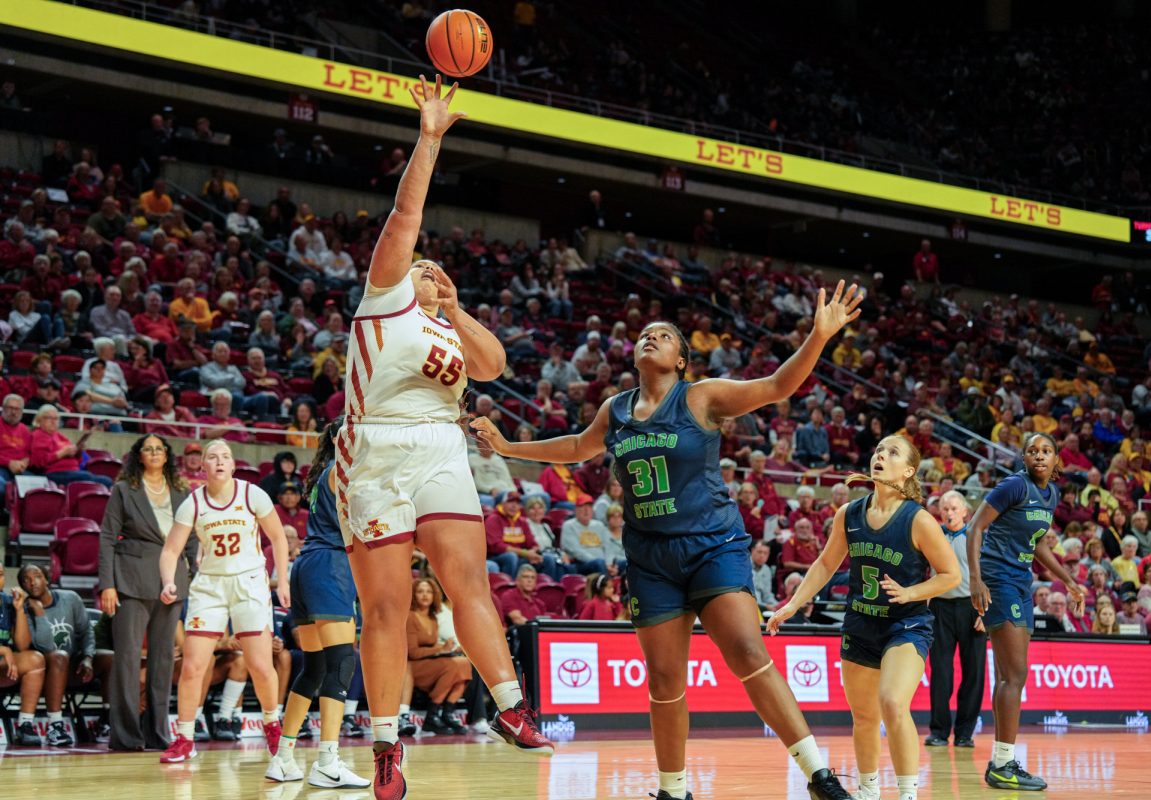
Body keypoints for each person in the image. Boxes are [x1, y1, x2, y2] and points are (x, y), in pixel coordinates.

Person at [472, 281, 864, 800]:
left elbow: (775, 386)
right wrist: (506, 446)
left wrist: (817, 337)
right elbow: (574, 447)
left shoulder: (701, 396)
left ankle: (818, 773)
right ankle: (673, 790)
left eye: (663, 335)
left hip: (711, 545)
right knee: (663, 680)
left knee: (747, 650)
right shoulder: (615, 409)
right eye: (645, 335)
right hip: (651, 558)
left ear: (682, 360)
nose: (650, 338)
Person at [333, 74, 552, 800]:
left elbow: (493, 367)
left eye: (436, 270)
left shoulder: (444, 325)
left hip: (438, 446)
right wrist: (429, 137)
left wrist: (456, 310)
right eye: (424, 267)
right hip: (373, 448)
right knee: (388, 609)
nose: (428, 270)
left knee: (467, 580)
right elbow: (404, 218)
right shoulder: (383, 300)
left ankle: (512, 707)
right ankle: (388, 747)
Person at [769, 436, 960, 800]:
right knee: (865, 717)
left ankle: (907, 794)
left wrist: (911, 593)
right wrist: (792, 605)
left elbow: (950, 574)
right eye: (878, 450)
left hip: (906, 624)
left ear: (908, 471)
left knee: (891, 701)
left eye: (892, 453)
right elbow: (826, 564)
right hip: (860, 623)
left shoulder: (918, 519)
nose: (880, 456)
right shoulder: (849, 514)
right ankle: (868, 792)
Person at [157, 439, 291, 763]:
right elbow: (171, 550)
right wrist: (168, 581)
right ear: (203, 466)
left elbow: (278, 537)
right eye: (212, 457)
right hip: (210, 587)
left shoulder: (252, 494)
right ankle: (185, 738)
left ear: (233, 465)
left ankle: (272, 721)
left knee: (260, 664)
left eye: (225, 457)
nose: (219, 461)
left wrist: (283, 579)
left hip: (249, 584)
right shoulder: (192, 503)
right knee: (192, 665)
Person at [968, 432, 1085, 791]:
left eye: (1046, 451)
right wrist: (976, 579)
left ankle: (1001, 763)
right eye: (1032, 451)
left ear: (1056, 461)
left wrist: (1068, 580)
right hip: (997, 577)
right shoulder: (1013, 486)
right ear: (1023, 458)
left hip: (1021, 580)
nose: (1039, 456)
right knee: (1015, 674)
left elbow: (1036, 545)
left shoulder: (1051, 494)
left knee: (1009, 675)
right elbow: (974, 529)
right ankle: (1004, 763)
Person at [266, 420, 370, 787]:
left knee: (315, 668)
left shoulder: (325, 472)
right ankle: (328, 760)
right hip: (329, 565)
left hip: (306, 567)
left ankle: (283, 758)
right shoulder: (342, 472)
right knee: (342, 661)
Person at [98, 434, 195, 752]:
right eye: (148, 449)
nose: (154, 452)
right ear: (138, 456)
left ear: (167, 455)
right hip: (130, 580)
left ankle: (157, 733)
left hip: (172, 582)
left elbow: (192, 538)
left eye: (159, 449)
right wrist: (107, 584)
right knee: (126, 659)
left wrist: (192, 575)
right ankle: (125, 736)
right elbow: (107, 538)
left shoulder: (183, 491)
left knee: (164, 660)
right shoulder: (124, 490)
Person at [923, 489, 987, 749]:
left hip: (973, 608)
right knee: (941, 672)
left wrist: (986, 611)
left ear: (965, 512)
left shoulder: (976, 535)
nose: (948, 512)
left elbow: (989, 573)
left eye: (953, 508)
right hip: (940, 607)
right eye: (944, 509)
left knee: (974, 673)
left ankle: (964, 733)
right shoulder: (933, 535)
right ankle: (938, 731)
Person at [18, 564, 101, 747]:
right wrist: (39, 613)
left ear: (47, 579)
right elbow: (45, 646)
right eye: (26, 580)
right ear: (23, 587)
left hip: (73, 665)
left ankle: (106, 721)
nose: (32, 582)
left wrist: (88, 657)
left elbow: (87, 631)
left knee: (109, 658)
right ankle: (55, 725)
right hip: (45, 670)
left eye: (37, 576)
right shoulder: (25, 609)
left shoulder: (70, 598)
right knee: (59, 655)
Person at [407, 578, 472, 734]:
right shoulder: (410, 617)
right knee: (451, 666)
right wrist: (440, 650)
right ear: (413, 595)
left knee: (464, 663)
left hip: (431, 661)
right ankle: (432, 715)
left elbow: (435, 648)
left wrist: (447, 649)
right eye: (420, 591)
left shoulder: (433, 618)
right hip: (412, 667)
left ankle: (447, 713)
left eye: (429, 591)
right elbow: (412, 653)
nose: (425, 595)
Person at [0, 567, 46, 747]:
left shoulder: (7, 602)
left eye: (1, 575)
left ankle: (25, 725)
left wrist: (19, 611)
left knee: (35, 659)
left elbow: (22, 645)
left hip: (3, 666)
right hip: (3, 657)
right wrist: (4, 650)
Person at [30, 404, 113, 488]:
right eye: (48, 418)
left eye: (56, 418)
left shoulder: (59, 436)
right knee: (96, 479)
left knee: (106, 479)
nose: (53, 421)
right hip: (54, 473)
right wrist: (61, 453)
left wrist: (78, 451)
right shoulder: (38, 435)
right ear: (39, 420)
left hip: (73, 471)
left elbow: (78, 461)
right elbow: (39, 462)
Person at [0, 393, 32, 499]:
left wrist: (24, 462)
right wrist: (8, 463)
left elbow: (30, 453)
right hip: (2, 467)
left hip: (20, 469)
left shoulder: (25, 430)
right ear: (3, 408)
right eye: (10, 408)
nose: (13, 412)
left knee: (38, 488)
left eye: (17, 409)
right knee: (2, 488)